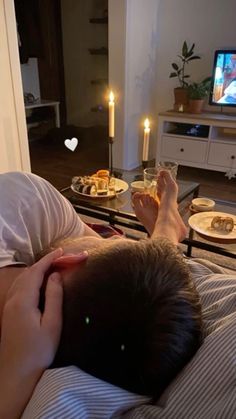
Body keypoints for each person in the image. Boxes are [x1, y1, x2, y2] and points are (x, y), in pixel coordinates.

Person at [0, 170, 202, 417]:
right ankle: (165, 232)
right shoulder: (29, 201)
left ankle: (165, 234)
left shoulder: (25, 198)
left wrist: (18, 374)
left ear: (63, 264)